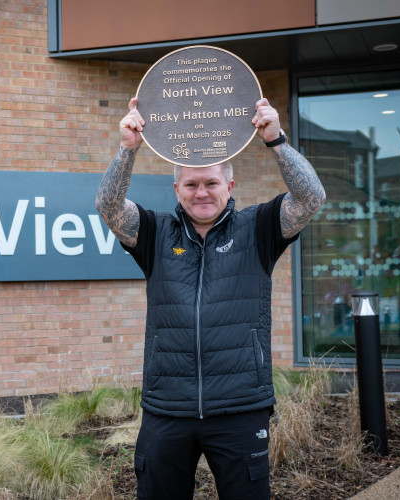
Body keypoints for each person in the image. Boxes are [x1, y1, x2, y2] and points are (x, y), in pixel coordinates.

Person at [95, 96, 326, 499]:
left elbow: (311, 198)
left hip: (239, 408)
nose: (201, 192)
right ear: (177, 188)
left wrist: (276, 140)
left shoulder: (258, 228)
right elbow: (108, 206)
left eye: (211, 183)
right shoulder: (155, 233)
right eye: (191, 184)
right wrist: (127, 149)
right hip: (168, 408)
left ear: (230, 185)